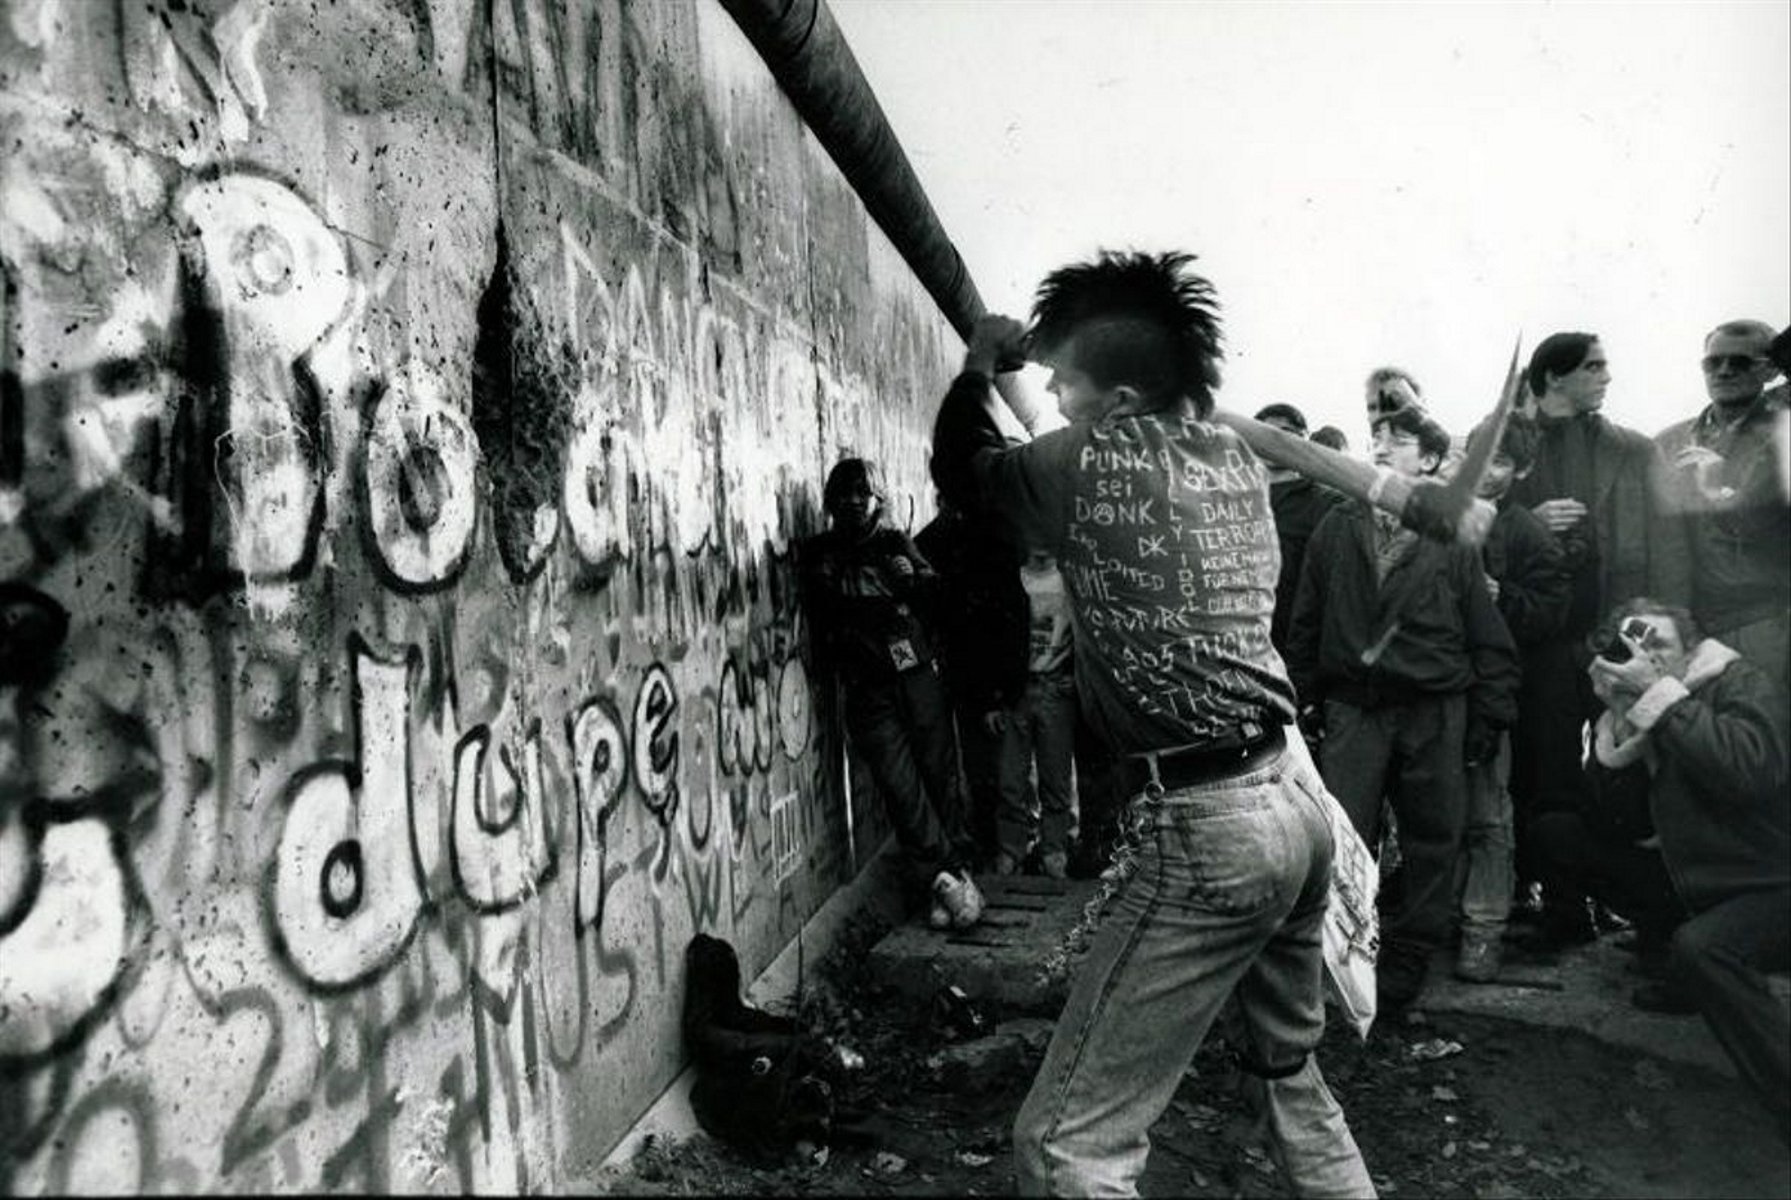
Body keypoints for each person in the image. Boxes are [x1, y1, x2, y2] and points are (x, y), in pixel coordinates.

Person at [932, 250, 1375, 1197]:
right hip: (1291, 801)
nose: (1047, 391)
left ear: (1122, 398)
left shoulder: (1093, 458)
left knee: (1067, 1148)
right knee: (1285, 1077)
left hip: (1211, 830)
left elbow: (965, 472)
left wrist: (978, 365)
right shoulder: (1228, 453)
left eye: (1064, 379)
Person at [1287, 405, 1521, 1009]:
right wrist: (1307, 696)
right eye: (1378, 437)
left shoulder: (1454, 535)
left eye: (1401, 439)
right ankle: (1344, 955)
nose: (1383, 446)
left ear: (1434, 460)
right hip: (1354, 710)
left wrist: (1487, 718)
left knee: (1432, 837)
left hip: (1434, 710)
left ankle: (1412, 955)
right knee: (1344, 839)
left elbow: (1485, 631)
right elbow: (1306, 618)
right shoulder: (1337, 525)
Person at [1504, 331, 1690, 945]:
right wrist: (1526, 521)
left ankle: (1647, 917)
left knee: (1631, 776)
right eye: (1593, 367)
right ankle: (1562, 909)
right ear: (1554, 377)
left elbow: (1666, 543)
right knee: (1548, 773)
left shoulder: (1633, 449)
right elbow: (1479, 523)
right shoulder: (1510, 444)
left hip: (1621, 634)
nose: (1607, 376)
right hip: (1546, 642)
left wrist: (1661, 630)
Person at [1584, 598, 1789, 1133]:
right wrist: (1619, 718)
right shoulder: (1643, 710)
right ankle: (1676, 970)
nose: (1647, 658)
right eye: (1635, 646)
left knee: (1705, 948)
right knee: (1566, 839)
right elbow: (1621, 826)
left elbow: (1748, 771)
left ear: (1692, 651)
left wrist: (1659, 699)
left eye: (1661, 647)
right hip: (1718, 879)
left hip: (1776, 876)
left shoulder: (1738, 682)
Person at [799, 458, 984, 930]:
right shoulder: (820, 553)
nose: (854, 501)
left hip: (916, 675)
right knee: (901, 787)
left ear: (878, 497)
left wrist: (913, 581)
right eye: (844, 492)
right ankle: (947, 874)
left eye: (863, 492)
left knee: (938, 773)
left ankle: (949, 876)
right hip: (867, 688)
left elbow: (937, 602)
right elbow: (827, 616)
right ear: (830, 500)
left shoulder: (895, 543)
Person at [1454, 412, 1571, 982]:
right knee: (1434, 810)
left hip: (1489, 690)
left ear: (1522, 469)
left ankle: (1484, 930)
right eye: (1482, 453)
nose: (1488, 469)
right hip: (1433, 688)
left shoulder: (1526, 530)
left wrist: (1507, 598)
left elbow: (1554, 609)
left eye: (1502, 459)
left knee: (1488, 814)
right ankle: (1436, 917)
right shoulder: (1438, 513)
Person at [1654, 320, 1790, 696]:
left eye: (1740, 362)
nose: (1724, 371)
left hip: (1762, 624)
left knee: (1762, 738)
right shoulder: (1668, 442)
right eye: (1713, 362)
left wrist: (1718, 490)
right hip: (1683, 625)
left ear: (1770, 369)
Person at [916, 492, 1030, 868]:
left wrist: (996, 694)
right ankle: (990, 844)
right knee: (978, 766)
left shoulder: (994, 540)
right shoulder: (934, 542)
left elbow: (1007, 620)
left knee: (993, 767)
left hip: (981, 675)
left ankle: (1000, 844)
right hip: (960, 672)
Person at [992, 548, 1078, 878]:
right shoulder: (1013, 579)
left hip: (1056, 688)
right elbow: (996, 640)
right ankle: (1011, 850)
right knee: (1011, 779)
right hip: (1018, 691)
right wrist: (997, 697)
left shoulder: (1069, 579)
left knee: (1055, 776)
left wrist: (1077, 675)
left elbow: (1088, 633)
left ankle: (1054, 849)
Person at [1255, 402, 1347, 657]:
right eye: (1262, 431)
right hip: (1237, 643)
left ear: (1303, 440)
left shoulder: (1327, 503)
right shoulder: (1231, 498)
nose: (1272, 440)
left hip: (1293, 648)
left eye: (1286, 432)